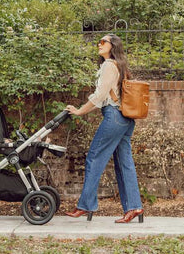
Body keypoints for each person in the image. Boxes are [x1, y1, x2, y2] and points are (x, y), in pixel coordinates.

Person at [64, 34, 144, 224]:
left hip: (114, 117)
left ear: (112, 45)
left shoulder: (109, 65)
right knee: (124, 163)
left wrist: (80, 111)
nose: (99, 45)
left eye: (103, 42)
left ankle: (85, 205)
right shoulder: (119, 65)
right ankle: (134, 207)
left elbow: (100, 95)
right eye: (98, 42)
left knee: (94, 157)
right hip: (125, 119)